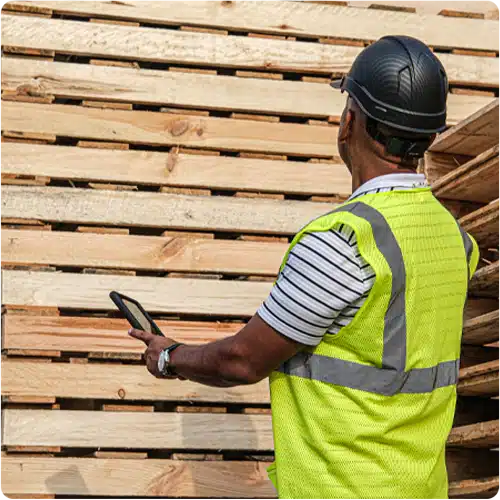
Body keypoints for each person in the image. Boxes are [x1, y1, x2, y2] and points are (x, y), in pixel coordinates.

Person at [129, 35, 479, 500]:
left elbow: (243, 360)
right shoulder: (455, 240)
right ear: (429, 134)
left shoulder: (342, 242)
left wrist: (170, 356)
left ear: (348, 121)